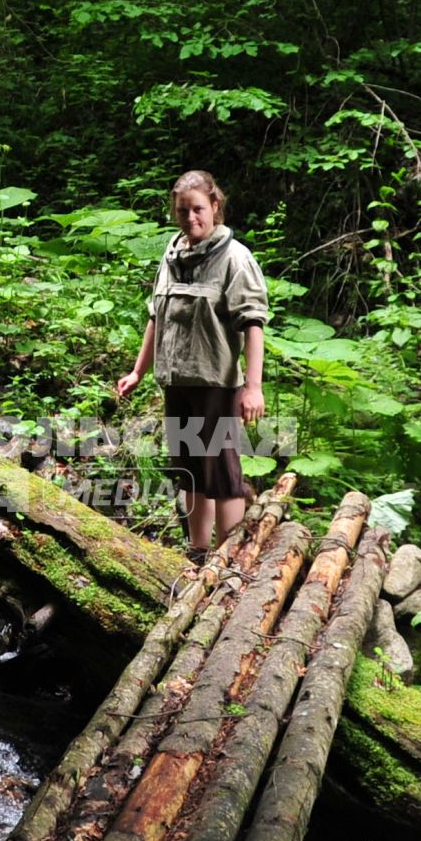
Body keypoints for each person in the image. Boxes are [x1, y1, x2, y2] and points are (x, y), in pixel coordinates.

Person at [115, 170, 269, 569]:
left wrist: (253, 388)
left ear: (215, 207)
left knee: (221, 475)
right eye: (183, 211)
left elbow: (253, 323)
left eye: (198, 209)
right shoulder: (171, 256)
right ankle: (198, 555)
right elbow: (156, 318)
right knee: (189, 472)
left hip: (215, 384)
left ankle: (231, 559)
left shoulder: (235, 258)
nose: (191, 218)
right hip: (177, 382)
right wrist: (137, 371)